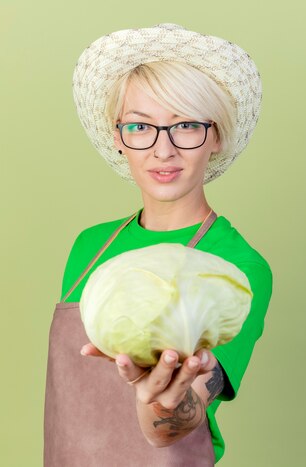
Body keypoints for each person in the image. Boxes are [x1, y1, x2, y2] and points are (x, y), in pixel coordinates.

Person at [44, 24, 273, 466]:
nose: (162, 150)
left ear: (217, 136)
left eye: (186, 125)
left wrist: (162, 405)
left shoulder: (240, 266)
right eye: (140, 126)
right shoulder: (89, 245)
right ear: (118, 138)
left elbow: (188, 413)